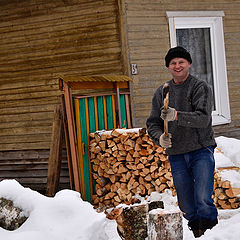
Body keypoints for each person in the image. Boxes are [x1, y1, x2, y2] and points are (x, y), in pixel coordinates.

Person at [146, 46, 218, 238]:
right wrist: (160, 137)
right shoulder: (162, 92)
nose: (177, 66)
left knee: (203, 197)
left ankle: (211, 230)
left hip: (201, 148)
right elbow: (153, 123)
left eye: (181, 62)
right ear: (168, 67)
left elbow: (203, 119)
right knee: (186, 202)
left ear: (189, 64)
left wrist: (177, 115)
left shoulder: (199, 87)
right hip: (176, 153)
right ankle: (197, 229)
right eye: (173, 63)